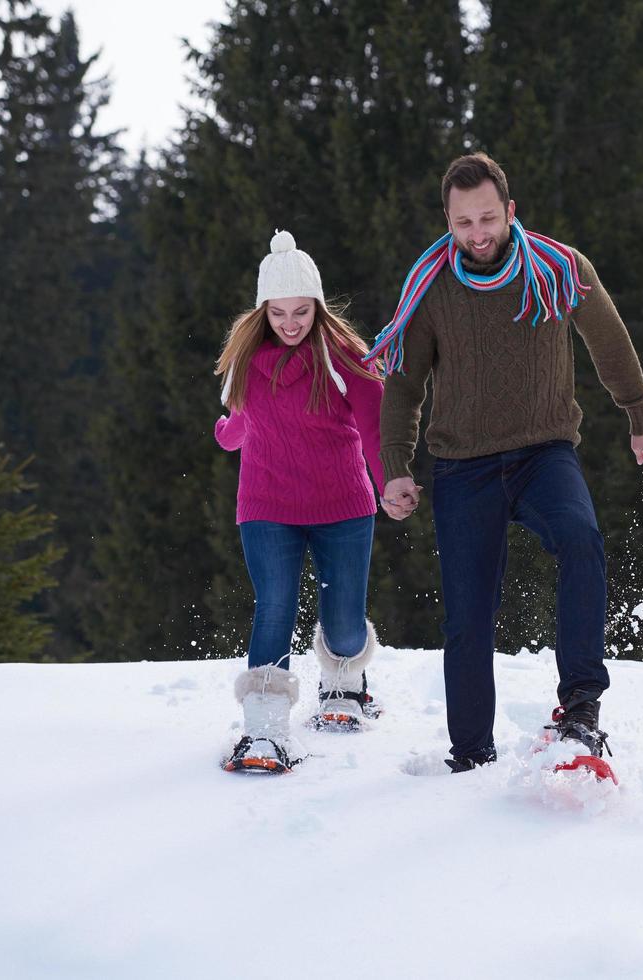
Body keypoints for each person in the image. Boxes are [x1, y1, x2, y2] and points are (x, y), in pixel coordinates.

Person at [372, 152, 643, 774]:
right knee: (469, 615)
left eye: (487, 218)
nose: (477, 234)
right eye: (462, 223)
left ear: (510, 211)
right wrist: (395, 465)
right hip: (461, 466)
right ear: (447, 222)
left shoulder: (560, 269)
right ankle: (470, 756)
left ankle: (581, 710)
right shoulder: (431, 286)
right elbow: (404, 383)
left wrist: (642, 420)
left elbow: (608, 340)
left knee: (581, 539)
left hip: (543, 452)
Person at [213, 230, 387, 773]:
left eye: (302, 311)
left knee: (344, 621)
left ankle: (344, 682)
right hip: (266, 504)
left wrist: (391, 482)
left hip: (343, 504)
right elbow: (242, 422)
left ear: (318, 308)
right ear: (264, 311)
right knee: (275, 606)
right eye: (280, 312)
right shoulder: (247, 362)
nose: (291, 323)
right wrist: (226, 434)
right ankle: (263, 731)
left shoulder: (345, 358)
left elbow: (374, 428)